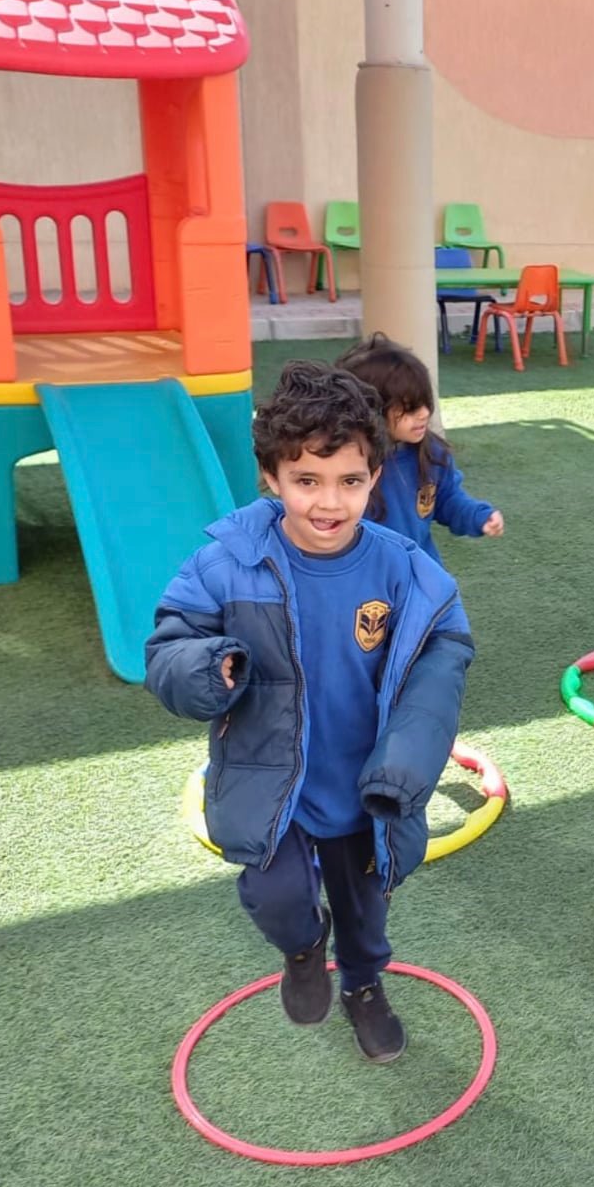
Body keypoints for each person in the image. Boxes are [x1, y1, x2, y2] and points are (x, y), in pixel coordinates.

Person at [143, 361, 474, 1063]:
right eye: (307, 480)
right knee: (276, 897)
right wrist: (205, 666)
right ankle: (302, 948)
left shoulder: (403, 568)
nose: (330, 502)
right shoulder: (226, 564)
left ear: (374, 476)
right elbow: (168, 646)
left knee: (366, 913)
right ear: (272, 477)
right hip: (270, 785)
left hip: (365, 786)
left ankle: (364, 985)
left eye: (350, 481)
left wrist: (407, 763)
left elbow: (443, 657)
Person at [337, 333, 502, 564]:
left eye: (425, 402)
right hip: (364, 575)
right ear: (371, 410)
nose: (424, 413)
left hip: (418, 571)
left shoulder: (431, 452)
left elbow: (447, 499)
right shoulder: (344, 464)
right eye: (410, 408)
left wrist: (477, 515)